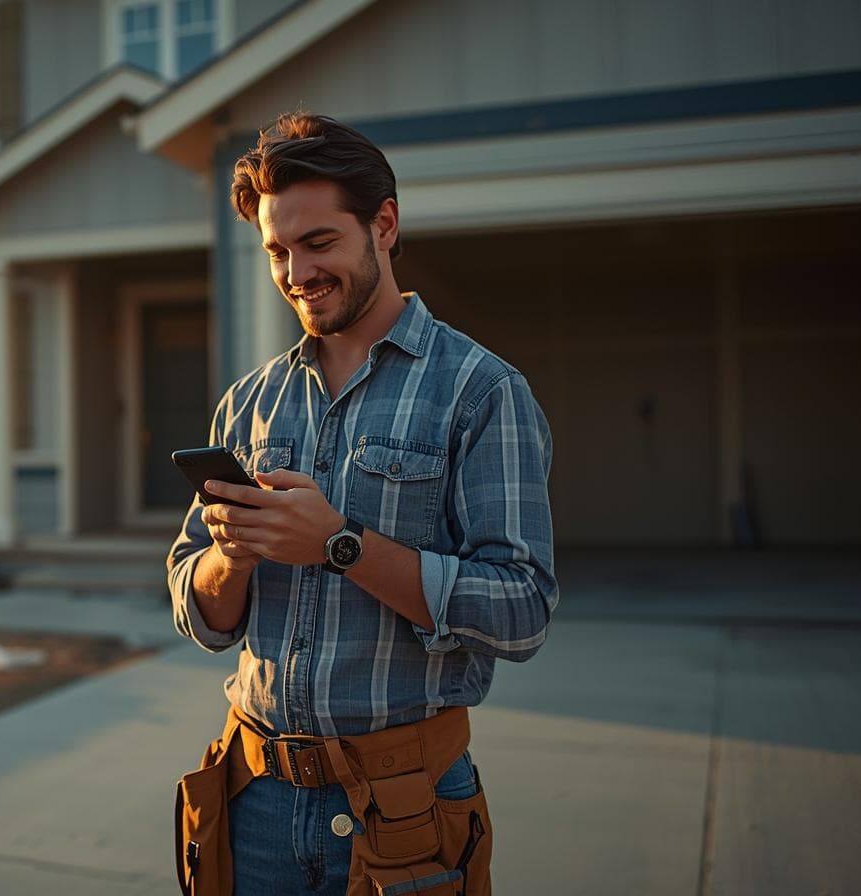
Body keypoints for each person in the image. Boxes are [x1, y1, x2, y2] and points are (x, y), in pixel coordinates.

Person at [167, 112, 557, 896]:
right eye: (277, 250)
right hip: (254, 799)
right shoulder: (249, 404)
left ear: (384, 224)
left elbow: (522, 611)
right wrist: (229, 556)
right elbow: (197, 610)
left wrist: (340, 543)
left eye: (318, 243)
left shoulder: (481, 391)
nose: (295, 272)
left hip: (407, 807)